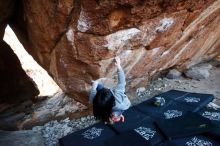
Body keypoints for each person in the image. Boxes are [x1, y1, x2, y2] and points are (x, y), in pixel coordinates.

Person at [89, 57, 131, 124]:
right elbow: (122, 82)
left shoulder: (97, 104)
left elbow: (92, 98)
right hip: (122, 106)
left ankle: (112, 117)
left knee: (97, 86)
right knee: (116, 113)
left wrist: (94, 88)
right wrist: (118, 65)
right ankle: (114, 116)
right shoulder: (117, 100)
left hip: (117, 107)